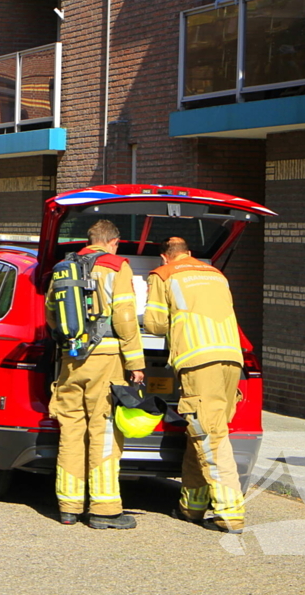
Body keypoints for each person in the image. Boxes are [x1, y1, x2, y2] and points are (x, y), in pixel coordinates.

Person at [45, 219, 145, 529]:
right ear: (113, 242)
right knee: (103, 431)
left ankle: (68, 506)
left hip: (71, 359)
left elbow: (51, 312)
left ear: (90, 240)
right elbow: (126, 316)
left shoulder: (65, 267)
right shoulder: (117, 266)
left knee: (72, 429)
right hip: (106, 357)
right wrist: (135, 362)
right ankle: (104, 509)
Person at [144, 236, 246, 534]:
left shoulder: (163, 275)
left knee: (209, 435)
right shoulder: (216, 274)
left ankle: (230, 510)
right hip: (232, 358)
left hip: (198, 360)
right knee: (201, 429)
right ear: (189, 254)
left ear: (165, 257)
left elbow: (154, 324)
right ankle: (192, 505)